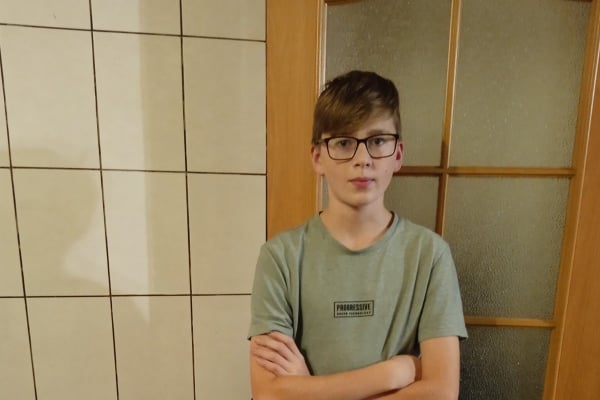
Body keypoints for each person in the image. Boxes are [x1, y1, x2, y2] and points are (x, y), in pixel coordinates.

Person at [248, 70, 467, 400]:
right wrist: (391, 373)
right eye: (343, 143)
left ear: (398, 154)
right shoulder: (280, 257)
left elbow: (441, 392)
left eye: (377, 141)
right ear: (317, 157)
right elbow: (269, 394)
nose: (362, 160)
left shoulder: (429, 254)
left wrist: (307, 390)